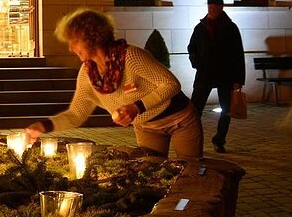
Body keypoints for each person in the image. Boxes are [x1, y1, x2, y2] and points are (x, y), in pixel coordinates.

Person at [25, 9, 202, 159]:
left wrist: (136, 107)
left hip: (180, 120)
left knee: (190, 172)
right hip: (147, 127)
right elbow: (76, 114)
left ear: (91, 37)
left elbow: (171, 84)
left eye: (74, 41)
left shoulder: (130, 56)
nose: (70, 48)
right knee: (152, 171)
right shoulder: (87, 74)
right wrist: (43, 126)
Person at [187, 0, 245, 153]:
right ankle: (192, 139)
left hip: (225, 74)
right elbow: (191, 48)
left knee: (226, 109)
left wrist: (238, 79)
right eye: (209, 6)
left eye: (214, 7)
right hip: (204, 73)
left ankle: (219, 139)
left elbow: (238, 54)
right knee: (194, 110)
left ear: (221, 7)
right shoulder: (201, 27)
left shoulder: (230, 27)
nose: (211, 9)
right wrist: (197, 63)